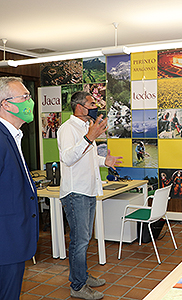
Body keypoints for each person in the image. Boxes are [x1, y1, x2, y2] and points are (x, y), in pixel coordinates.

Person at [58, 91, 122, 299]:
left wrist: (106, 162)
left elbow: (89, 157)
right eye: (91, 103)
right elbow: (67, 158)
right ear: (79, 106)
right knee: (80, 240)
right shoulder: (67, 129)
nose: (95, 106)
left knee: (84, 239)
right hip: (76, 192)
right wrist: (89, 137)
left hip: (88, 190)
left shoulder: (87, 127)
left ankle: (82, 276)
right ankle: (77, 286)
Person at [0, 77, 39, 300]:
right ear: (6, 104)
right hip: (4, 243)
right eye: (24, 97)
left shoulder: (13, 136)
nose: (30, 101)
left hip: (11, 241)